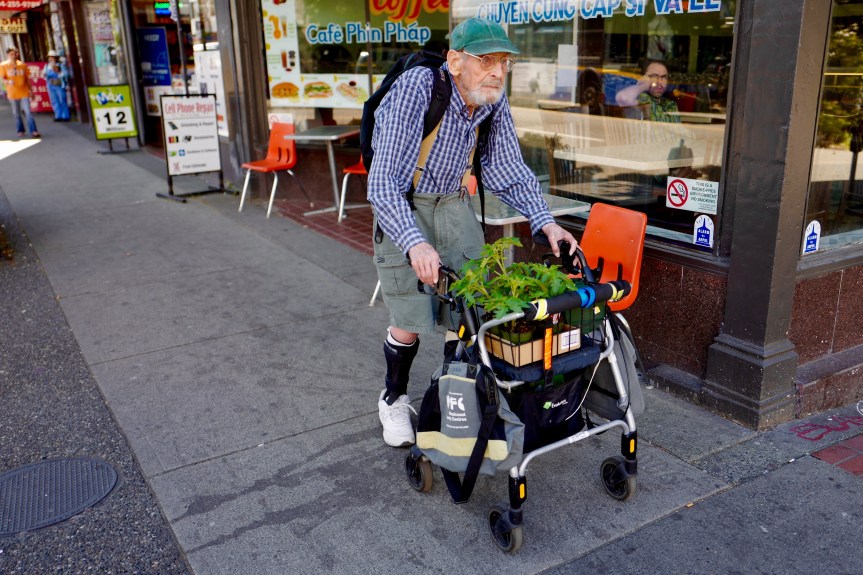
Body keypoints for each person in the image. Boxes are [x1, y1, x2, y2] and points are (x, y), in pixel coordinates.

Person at [368, 17, 578, 447]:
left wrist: (546, 222)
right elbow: (382, 182)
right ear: (455, 61)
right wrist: (414, 243)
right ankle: (393, 399)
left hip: (456, 207)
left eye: (503, 61)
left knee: (465, 314)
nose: (497, 71)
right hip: (405, 207)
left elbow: (508, 170)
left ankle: (449, 399)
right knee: (409, 316)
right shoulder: (417, 89)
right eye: (486, 60)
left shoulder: (491, 101)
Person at [615, 60, 681, 123]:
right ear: (644, 77)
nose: (660, 82)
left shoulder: (671, 105)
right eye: (654, 76)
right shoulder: (641, 99)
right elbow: (622, 98)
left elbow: (678, 132)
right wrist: (643, 85)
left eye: (664, 77)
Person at [0, 47, 40, 138]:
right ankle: (20, 130)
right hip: (12, 93)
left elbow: (27, 79)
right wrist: (7, 82)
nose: (13, 56)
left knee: (28, 112)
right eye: (11, 54)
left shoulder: (22, 65)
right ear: (8, 55)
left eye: (15, 54)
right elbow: (3, 78)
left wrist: (31, 91)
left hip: (24, 92)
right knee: (17, 113)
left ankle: (33, 130)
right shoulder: (3, 65)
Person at [43, 50, 70, 122]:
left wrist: (59, 72)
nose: (51, 58)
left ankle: (65, 116)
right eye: (50, 57)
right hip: (50, 85)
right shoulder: (46, 66)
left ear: (55, 58)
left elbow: (66, 74)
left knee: (62, 100)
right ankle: (58, 116)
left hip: (59, 85)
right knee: (54, 101)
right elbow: (44, 76)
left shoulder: (60, 65)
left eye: (52, 57)